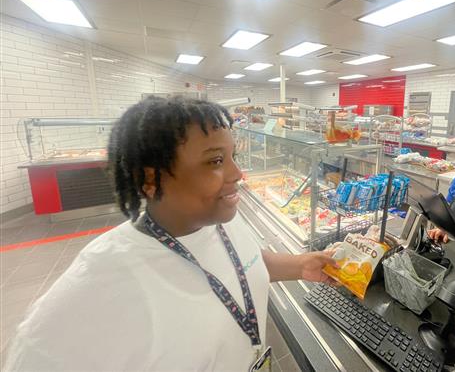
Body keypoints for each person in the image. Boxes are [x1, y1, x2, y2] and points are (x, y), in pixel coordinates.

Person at [5, 97, 337, 371]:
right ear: (150, 179)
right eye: (216, 161)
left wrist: (301, 265)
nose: (238, 173)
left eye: (233, 156)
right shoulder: (99, 284)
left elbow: (245, 261)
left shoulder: (219, 222)